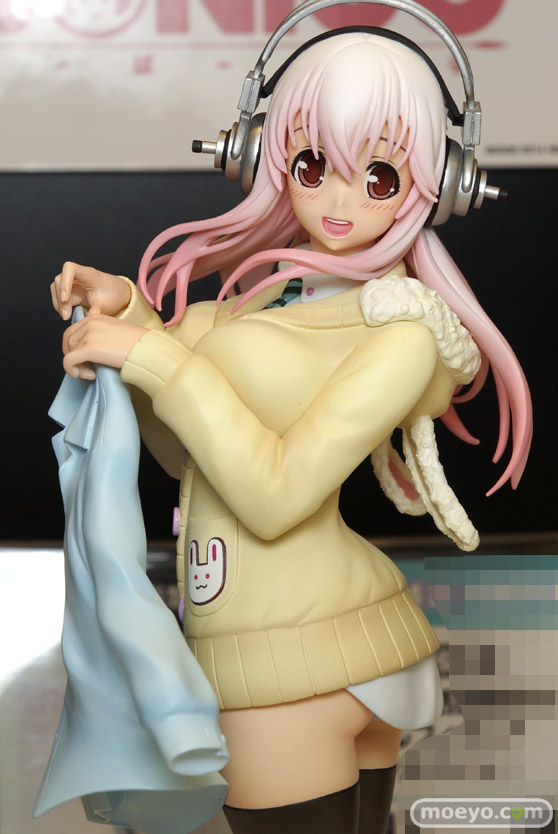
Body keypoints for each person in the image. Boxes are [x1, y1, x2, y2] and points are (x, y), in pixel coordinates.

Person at [50, 30, 531, 834]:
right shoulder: (272, 291)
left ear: (442, 182)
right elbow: (183, 450)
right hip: (297, 640)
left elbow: (274, 497)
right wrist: (129, 315)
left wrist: (157, 360)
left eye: (378, 177)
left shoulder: (400, 333)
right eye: (312, 166)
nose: (339, 201)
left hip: (288, 656)